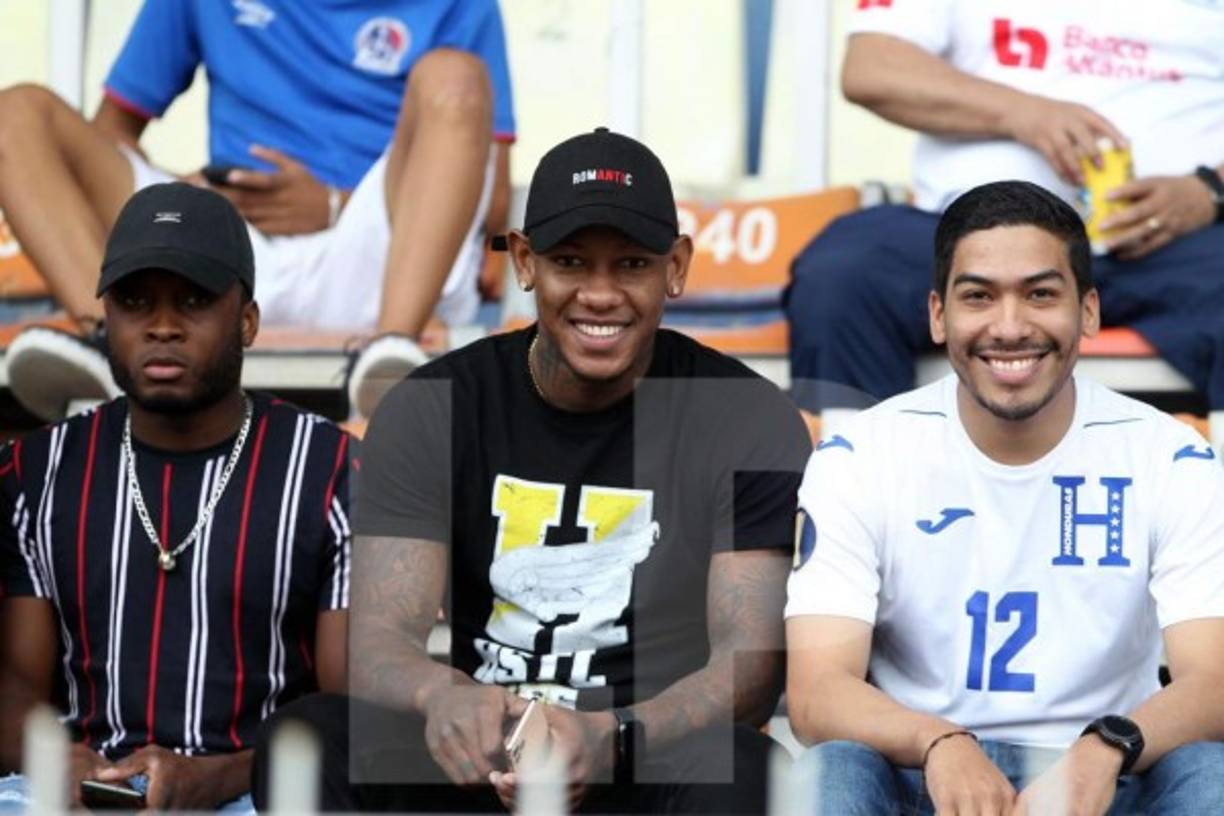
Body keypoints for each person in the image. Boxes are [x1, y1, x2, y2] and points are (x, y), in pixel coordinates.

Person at [250, 127, 812, 813]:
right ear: (523, 261)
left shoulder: (745, 416)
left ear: (676, 266)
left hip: (641, 751)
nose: (600, 295)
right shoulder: (434, 405)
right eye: (571, 261)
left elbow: (749, 663)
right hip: (478, 754)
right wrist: (443, 696)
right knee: (307, 740)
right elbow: (376, 646)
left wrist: (617, 736)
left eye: (631, 264)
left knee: (752, 769)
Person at [785, 180, 1224, 815]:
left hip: (1109, 774)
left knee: (1210, 773)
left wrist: (1104, 749)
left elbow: (1212, 683)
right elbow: (815, 693)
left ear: (1089, 311)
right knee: (831, 771)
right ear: (938, 315)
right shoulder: (861, 456)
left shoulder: (1171, 457)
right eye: (978, 297)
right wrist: (938, 741)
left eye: (1041, 294)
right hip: (927, 770)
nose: (1010, 327)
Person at [0, 183, 355, 812]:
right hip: (82, 789)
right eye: (136, 302)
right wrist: (60, 761)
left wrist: (217, 778)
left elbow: (351, 714)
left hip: (257, 793)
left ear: (246, 319)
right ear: (105, 315)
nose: (162, 326)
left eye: (193, 301)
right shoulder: (40, 469)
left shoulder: (330, 470)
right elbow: (19, 685)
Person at [0, 0, 516, 421]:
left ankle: (388, 362)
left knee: (456, 75)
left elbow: (490, 208)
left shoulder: (464, 6)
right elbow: (111, 134)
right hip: (216, 259)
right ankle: (106, 342)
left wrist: (335, 205)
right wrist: (186, 196)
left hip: (384, 259)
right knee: (16, 115)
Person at [786, 0, 1224, 421]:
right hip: (964, 237)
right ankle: (852, 482)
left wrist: (1209, 190)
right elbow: (872, 66)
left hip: (1182, 248)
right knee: (845, 272)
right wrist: (1024, 113)